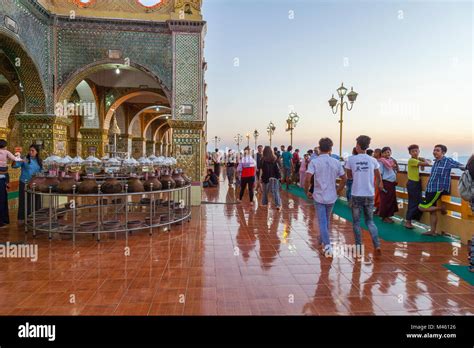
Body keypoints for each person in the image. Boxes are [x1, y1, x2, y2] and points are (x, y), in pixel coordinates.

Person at [305, 138, 347, 257]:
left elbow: (308, 177)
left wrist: (307, 191)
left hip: (319, 196)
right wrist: (338, 191)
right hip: (331, 196)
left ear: (319, 148)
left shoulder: (315, 162)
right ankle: (321, 239)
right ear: (330, 149)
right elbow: (344, 179)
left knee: (322, 221)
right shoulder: (336, 162)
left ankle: (327, 246)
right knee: (326, 220)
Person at [345, 135, 383, 255]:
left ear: (357, 146)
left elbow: (349, 176)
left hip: (356, 194)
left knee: (356, 222)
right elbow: (378, 177)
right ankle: (377, 245)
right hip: (369, 194)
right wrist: (374, 187)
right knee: (370, 221)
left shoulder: (351, 160)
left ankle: (358, 246)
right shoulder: (373, 160)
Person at [419, 144, 465, 236]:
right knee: (432, 211)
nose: (435, 152)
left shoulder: (447, 161)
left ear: (443, 153)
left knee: (421, 207)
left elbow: (461, 166)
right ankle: (433, 231)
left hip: (438, 189)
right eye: (434, 150)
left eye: (437, 150)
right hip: (430, 188)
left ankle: (441, 208)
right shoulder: (435, 161)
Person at [13, 144, 42, 223]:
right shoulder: (25, 159)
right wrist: (16, 159)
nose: (31, 152)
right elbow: (15, 166)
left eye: (33, 151)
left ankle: (36, 217)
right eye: (30, 150)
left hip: (36, 183)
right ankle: (22, 218)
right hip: (24, 182)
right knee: (24, 200)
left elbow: (42, 171)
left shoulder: (39, 161)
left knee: (36, 200)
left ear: (37, 152)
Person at [405, 145, 431, 229]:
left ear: (419, 151)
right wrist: (423, 159)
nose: (415, 153)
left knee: (418, 201)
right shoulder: (412, 160)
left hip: (416, 183)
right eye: (413, 151)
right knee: (413, 202)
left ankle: (411, 220)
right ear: (410, 153)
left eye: (416, 151)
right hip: (413, 183)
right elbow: (427, 163)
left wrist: (422, 160)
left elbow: (423, 169)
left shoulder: (416, 160)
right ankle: (408, 221)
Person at [378, 147, 399, 223]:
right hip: (385, 183)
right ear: (382, 154)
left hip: (391, 183)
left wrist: (395, 164)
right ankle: (384, 217)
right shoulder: (381, 162)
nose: (388, 153)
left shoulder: (390, 162)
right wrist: (380, 183)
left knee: (391, 200)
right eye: (386, 152)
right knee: (386, 200)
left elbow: (396, 170)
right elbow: (380, 173)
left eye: (389, 152)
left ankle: (388, 216)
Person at [373, 148, 382, 215]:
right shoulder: (374, 160)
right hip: (375, 178)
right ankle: (377, 209)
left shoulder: (381, 161)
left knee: (379, 195)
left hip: (379, 179)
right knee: (376, 194)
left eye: (375, 152)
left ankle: (379, 209)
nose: (374, 153)